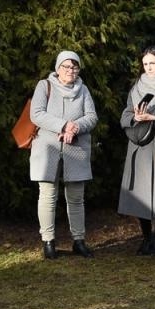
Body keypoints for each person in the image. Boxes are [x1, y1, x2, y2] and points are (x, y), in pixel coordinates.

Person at [31, 50, 99, 259]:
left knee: (76, 197)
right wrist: (63, 125)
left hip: (76, 148)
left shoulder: (84, 89)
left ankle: (78, 241)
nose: (70, 70)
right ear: (58, 68)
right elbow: (36, 113)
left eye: (74, 67)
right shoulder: (45, 86)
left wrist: (75, 127)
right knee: (48, 196)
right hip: (48, 148)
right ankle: (48, 242)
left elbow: (92, 117)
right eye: (66, 66)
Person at [119, 46, 155, 256]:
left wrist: (154, 118)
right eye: (145, 64)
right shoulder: (136, 87)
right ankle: (146, 237)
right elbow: (125, 114)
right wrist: (135, 117)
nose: (148, 67)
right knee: (140, 193)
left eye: (153, 63)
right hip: (138, 144)